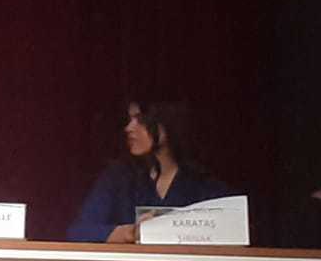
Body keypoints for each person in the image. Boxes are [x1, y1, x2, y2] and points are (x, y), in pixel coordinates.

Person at [67, 100, 228, 243]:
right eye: (130, 119)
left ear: (167, 122)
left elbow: (231, 231)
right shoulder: (118, 178)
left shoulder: (202, 183)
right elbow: (79, 232)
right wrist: (130, 233)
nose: (129, 128)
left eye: (141, 120)